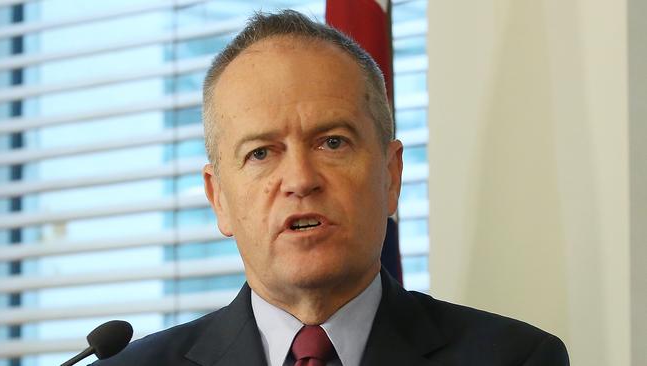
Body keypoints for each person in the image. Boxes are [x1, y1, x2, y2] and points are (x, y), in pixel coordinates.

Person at [94, 10, 569, 366]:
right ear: (218, 198)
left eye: (332, 142)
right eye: (260, 152)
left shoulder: (517, 359)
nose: (300, 180)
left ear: (390, 175)